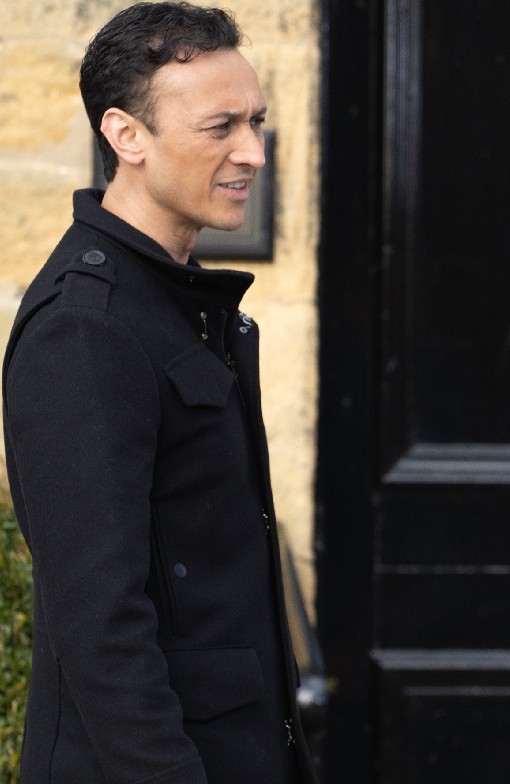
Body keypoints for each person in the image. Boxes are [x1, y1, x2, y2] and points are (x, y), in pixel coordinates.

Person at [2, 3, 316, 782]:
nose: (253, 151)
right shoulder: (87, 328)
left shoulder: (174, 302)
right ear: (126, 136)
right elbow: (99, 623)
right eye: (221, 127)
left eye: (257, 121)